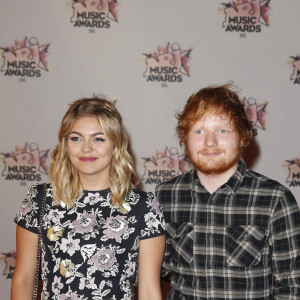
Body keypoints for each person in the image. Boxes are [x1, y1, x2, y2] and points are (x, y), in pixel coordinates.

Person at [11, 97, 166, 300]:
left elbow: (148, 290)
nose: (86, 148)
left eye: (98, 139)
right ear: (65, 144)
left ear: (116, 145)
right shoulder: (39, 199)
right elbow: (23, 279)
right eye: (76, 138)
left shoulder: (144, 207)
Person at [156, 83, 300, 299]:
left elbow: (291, 288)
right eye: (199, 130)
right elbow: (148, 273)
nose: (210, 142)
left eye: (222, 130)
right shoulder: (164, 196)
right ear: (185, 138)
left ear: (242, 136)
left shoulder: (275, 200)